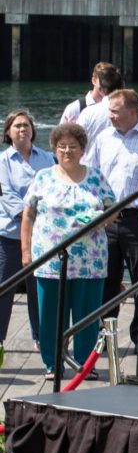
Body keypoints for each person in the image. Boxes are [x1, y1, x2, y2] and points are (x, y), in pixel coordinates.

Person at [22, 124, 114, 380]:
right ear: (54, 149)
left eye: (73, 146)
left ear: (83, 150)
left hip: (90, 259)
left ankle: (85, 364)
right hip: (50, 259)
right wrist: (25, 252)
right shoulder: (43, 177)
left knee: (87, 312)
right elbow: (28, 214)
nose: (67, 151)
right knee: (50, 313)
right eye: (62, 146)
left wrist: (100, 219)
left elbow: (113, 209)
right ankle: (53, 363)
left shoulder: (96, 177)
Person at [84, 89, 138, 350]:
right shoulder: (103, 138)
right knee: (106, 281)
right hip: (106, 220)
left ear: (132, 112)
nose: (110, 116)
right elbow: (90, 173)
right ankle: (104, 337)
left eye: (114, 111)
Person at [0, 110, 53, 351]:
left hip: (43, 234)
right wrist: (32, 218)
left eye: (26, 125)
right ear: (8, 132)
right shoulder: (2, 162)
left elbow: (54, 190)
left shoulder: (47, 158)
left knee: (40, 288)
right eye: (17, 126)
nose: (23, 129)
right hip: (10, 235)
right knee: (4, 289)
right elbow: (9, 198)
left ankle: (43, 337)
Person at [76, 68, 138, 149]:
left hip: (93, 161)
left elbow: (75, 141)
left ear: (101, 90)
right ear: (123, 86)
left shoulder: (88, 113)